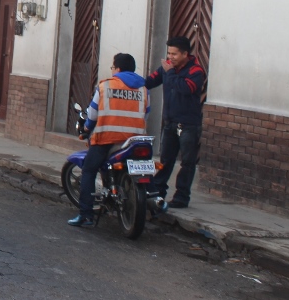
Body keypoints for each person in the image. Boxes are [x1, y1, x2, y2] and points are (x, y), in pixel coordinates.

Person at [68, 53, 151, 227]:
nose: (112, 70)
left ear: (118, 69)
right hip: (135, 141)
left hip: (108, 138)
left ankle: (86, 215)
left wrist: (87, 128)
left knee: (89, 170)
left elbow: (92, 114)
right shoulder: (143, 89)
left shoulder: (105, 86)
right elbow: (146, 112)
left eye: (113, 67)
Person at [146, 36, 207, 210]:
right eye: (169, 53)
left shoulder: (196, 71)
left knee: (187, 162)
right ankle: (158, 193)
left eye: (174, 54)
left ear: (185, 54)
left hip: (188, 125)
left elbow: (185, 88)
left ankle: (181, 197)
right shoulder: (166, 68)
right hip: (170, 123)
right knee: (165, 160)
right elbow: (150, 81)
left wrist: (170, 72)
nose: (170, 57)